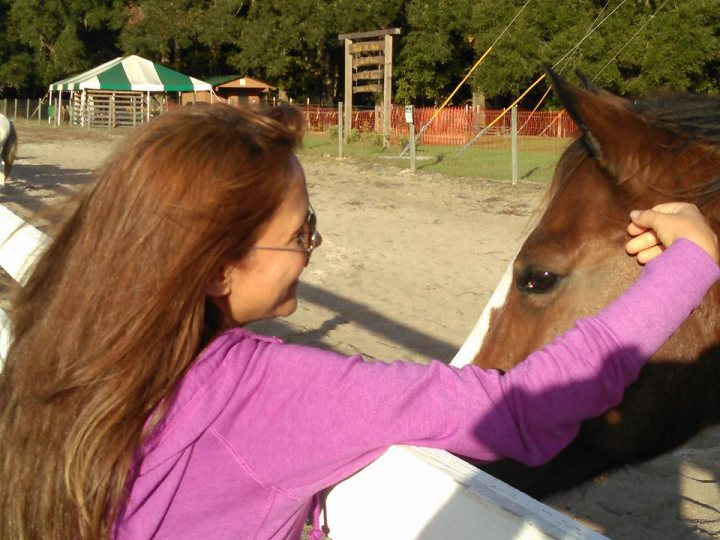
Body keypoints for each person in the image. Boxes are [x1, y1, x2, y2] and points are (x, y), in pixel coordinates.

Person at [0, 104, 717, 540]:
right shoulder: (260, 391)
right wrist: (692, 264)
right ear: (218, 267)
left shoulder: (54, 354)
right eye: (301, 232)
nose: (313, 249)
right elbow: (521, 407)